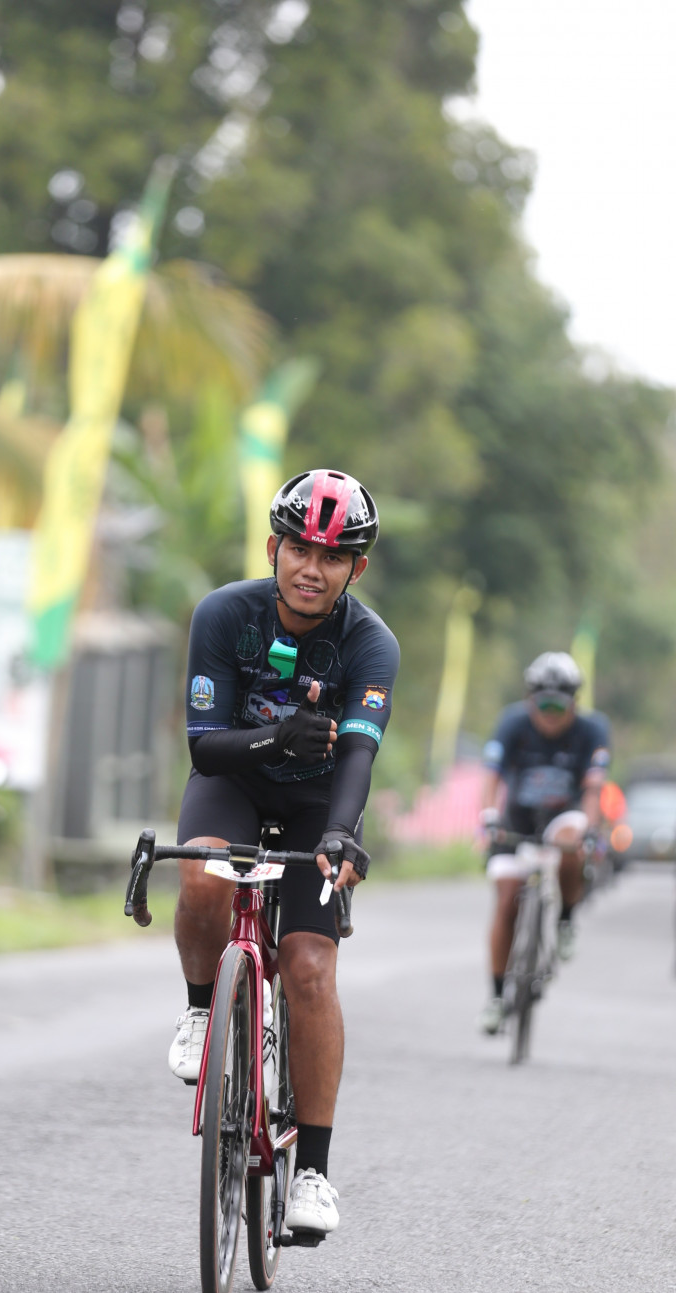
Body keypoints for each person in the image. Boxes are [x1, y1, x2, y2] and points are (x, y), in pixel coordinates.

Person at [168, 468, 399, 1235]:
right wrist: (276, 737)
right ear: (274, 548)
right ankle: (201, 1009)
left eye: (333, 557)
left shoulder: (370, 644)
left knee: (309, 967)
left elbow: (359, 752)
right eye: (300, 548)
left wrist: (341, 831)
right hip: (231, 782)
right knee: (203, 878)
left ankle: (315, 1175)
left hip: (317, 806)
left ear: (355, 569)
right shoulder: (223, 614)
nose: (312, 568)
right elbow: (204, 750)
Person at [478, 651, 610, 1033]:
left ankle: (567, 917)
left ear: (575, 703)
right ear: (529, 699)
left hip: (565, 814)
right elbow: (491, 777)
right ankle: (497, 996)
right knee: (506, 902)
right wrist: (488, 817)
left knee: (571, 840)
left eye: (559, 706)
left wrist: (589, 828)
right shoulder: (512, 722)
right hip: (517, 818)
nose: (550, 715)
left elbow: (593, 788)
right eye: (542, 705)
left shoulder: (593, 730)